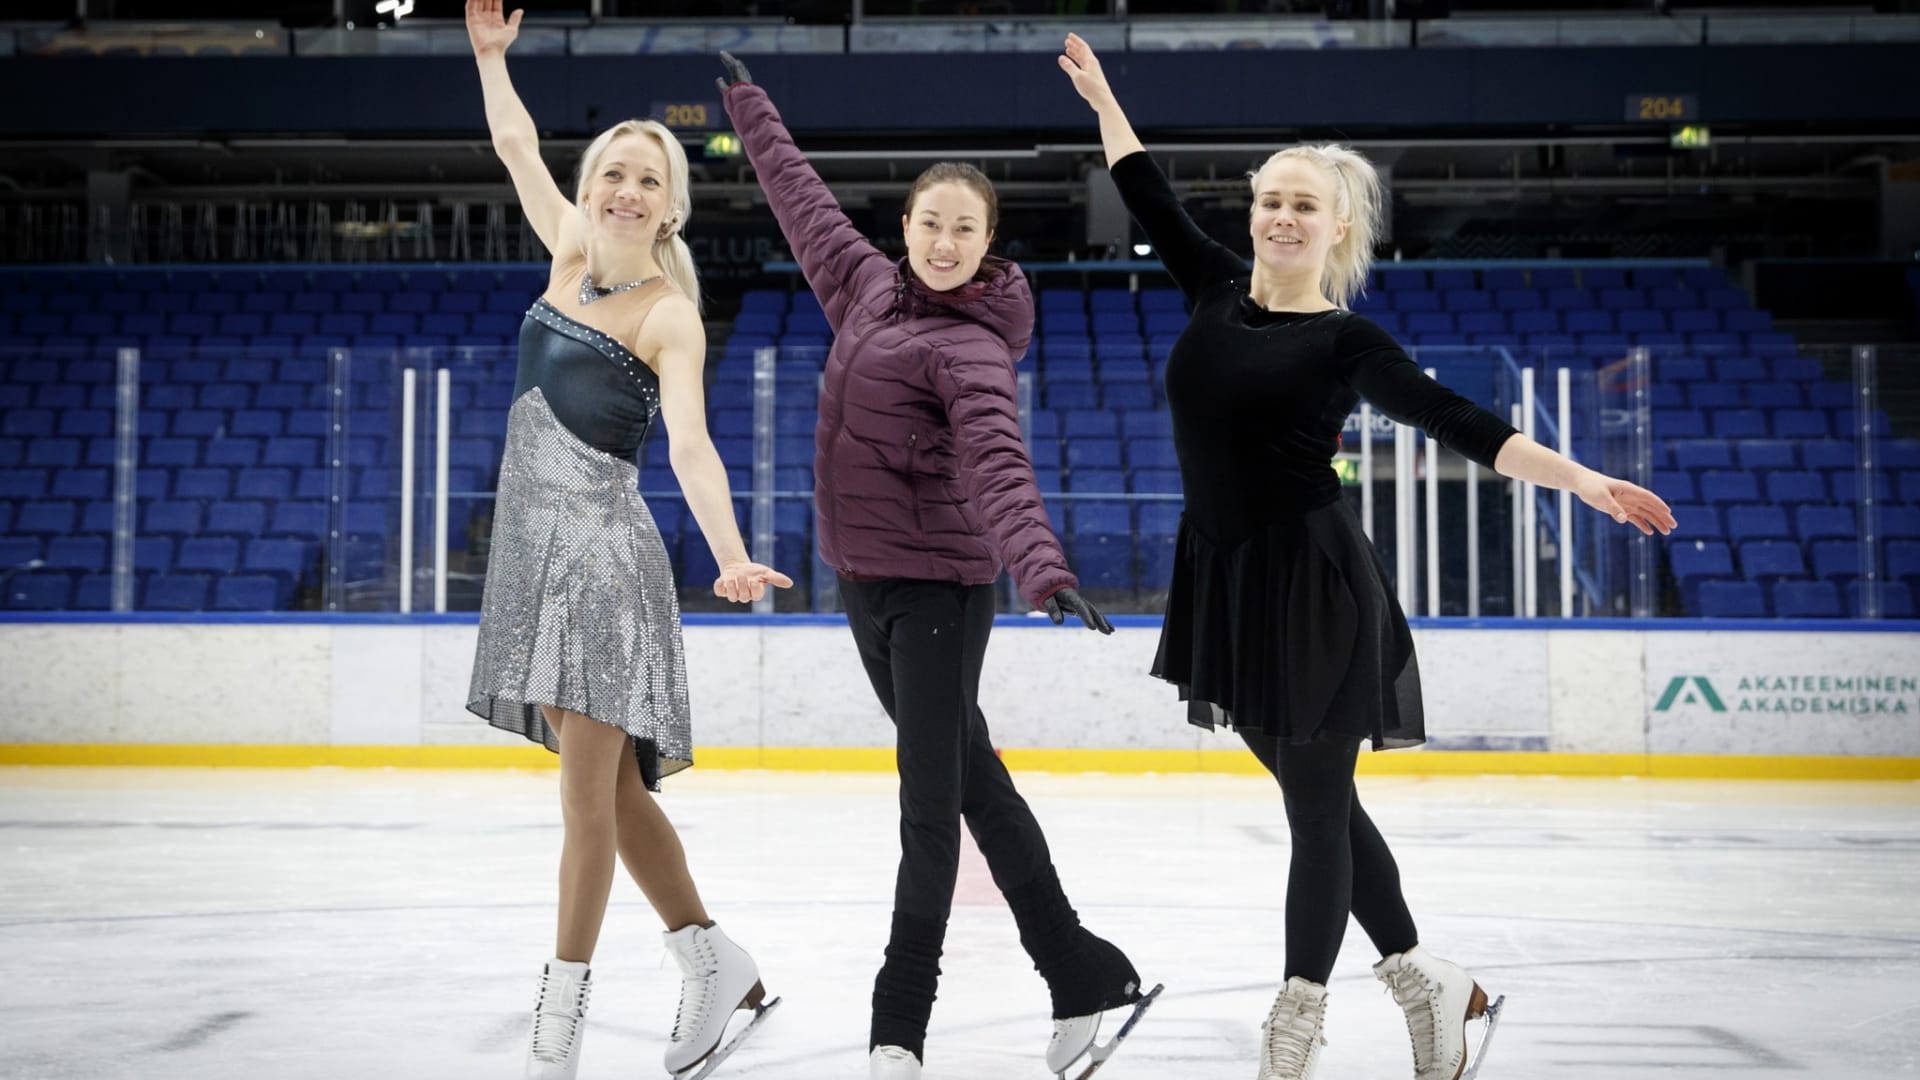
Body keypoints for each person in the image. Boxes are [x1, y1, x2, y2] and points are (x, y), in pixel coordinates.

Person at [1057, 32, 1674, 1080]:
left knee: (1313, 809)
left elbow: (1457, 420)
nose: (1282, 216)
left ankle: (1295, 1025)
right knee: (1327, 801)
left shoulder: (1348, 342)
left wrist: (1580, 479)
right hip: (1227, 578)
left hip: (1313, 585)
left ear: (1337, 226)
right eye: (1270, 200)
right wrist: (1105, 99)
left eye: (1305, 204)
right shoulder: (1213, 286)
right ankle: (1429, 982)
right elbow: (1146, 188)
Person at [717, 52, 1159, 1080]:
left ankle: (898, 1027)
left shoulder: (972, 350)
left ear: (989, 241)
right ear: (906, 227)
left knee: (930, 808)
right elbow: (799, 196)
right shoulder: (867, 287)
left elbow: (999, 465)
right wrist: (748, 103)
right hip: (862, 583)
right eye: (931, 223)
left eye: (966, 228)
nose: (946, 242)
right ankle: (1079, 968)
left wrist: (1042, 569)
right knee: (976, 787)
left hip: (939, 595)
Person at [460, 4, 792, 1078]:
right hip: (533, 563)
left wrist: (729, 551)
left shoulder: (667, 315)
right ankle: (713, 957)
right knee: (614, 793)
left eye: (649, 179)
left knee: (583, 801)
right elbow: (514, 144)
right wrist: (492, 61)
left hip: (605, 568)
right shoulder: (565, 257)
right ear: (592, 185)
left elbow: (691, 445)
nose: (626, 190)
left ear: (670, 207)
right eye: (613, 172)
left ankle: (559, 1021)